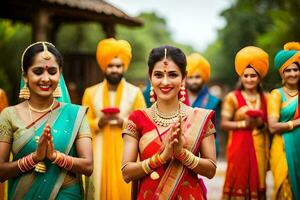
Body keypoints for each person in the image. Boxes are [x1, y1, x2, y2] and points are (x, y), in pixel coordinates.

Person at [121, 45, 217, 199]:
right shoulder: (137, 119)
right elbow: (126, 173)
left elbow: (211, 170)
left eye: (172, 75)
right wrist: (161, 158)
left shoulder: (199, 118)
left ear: (184, 77)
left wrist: (182, 154)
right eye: (158, 75)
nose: (165, 82)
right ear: (150, 77)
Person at [0, 42, 93, 199]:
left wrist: (55, 156)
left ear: (59, 74)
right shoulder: (9, 115)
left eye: (52, 71)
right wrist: (34, 158)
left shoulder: (75, 114)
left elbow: (88, 166)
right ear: (25, 75)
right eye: (37, 72)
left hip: (67, 194)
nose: (46, 78)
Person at [82, 38, 146, 200]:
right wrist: (99, 122)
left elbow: (144, 124)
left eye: (118, 66)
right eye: (111, 66)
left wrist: (123, 122)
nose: (114, 70)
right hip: (98, 151)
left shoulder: (135, 92)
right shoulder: (90, 92)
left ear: (124, 67)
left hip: (127, 151)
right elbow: (82, 124)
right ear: (104, 67)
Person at [221, 46, 270, 199]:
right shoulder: (232, 97)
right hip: (238, 146)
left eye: (253, 76)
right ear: (241, 77)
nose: (249, 79)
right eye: (246, 75)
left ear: (260, 77)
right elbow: (223, 123)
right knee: (238, 182)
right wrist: (244, 124)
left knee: (259, 182)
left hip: (260, 146)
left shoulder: (267, 98)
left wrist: (260, 124)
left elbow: (270, 125)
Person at [267, 42, 300, 199]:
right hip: (283, 148)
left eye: (296, 69)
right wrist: (297, 122)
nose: (293, 74)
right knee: (285, 188)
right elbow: (272, 127)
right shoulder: (276, 95)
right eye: (288, 70)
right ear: (282, 73)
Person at [186, 53, 221, 156]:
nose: (194, 81)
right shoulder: (179, 99)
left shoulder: (213, 101)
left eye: (197, 77)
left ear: (204, 77)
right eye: (190, 77)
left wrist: (214, 150)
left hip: (205, 150)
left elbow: (216, 130)